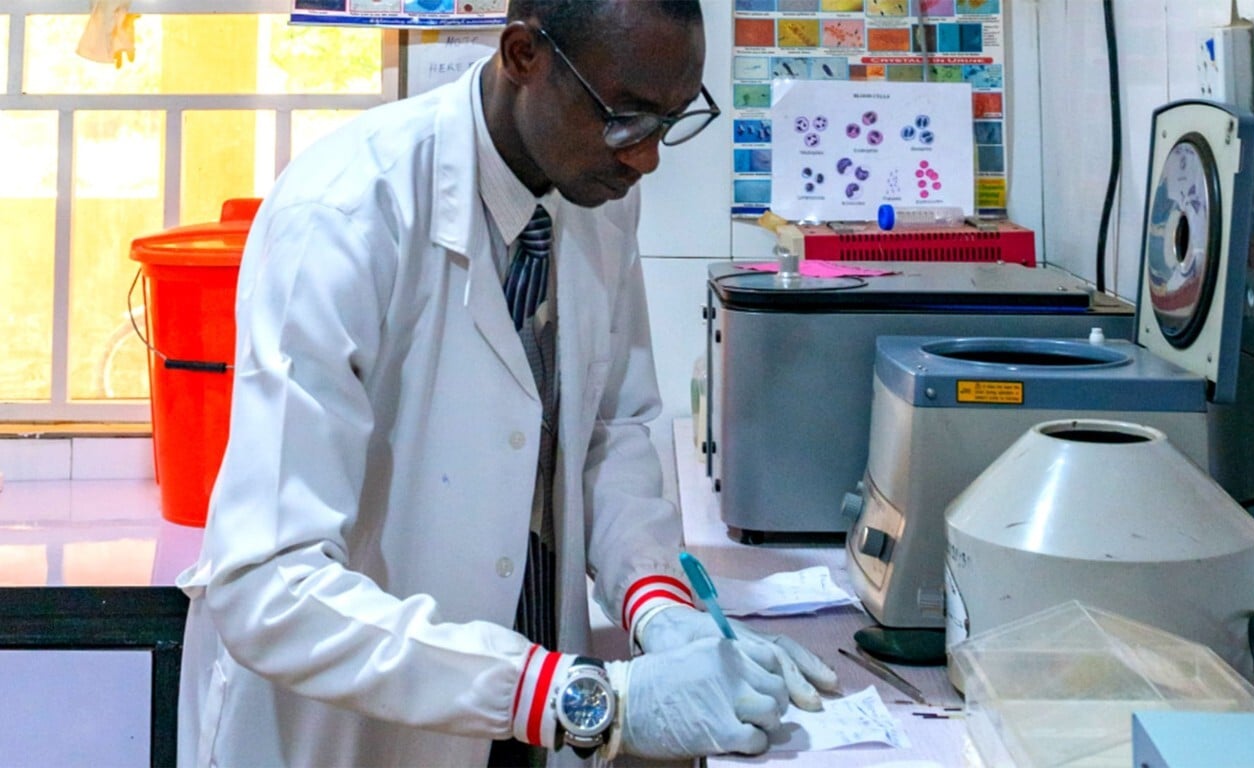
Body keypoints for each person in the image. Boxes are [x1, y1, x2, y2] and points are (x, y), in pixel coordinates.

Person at [175, 1, 839, 765]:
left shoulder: (595, 191)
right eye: (626, 118)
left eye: (670, 120)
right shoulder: (345, 213)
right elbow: (268, 585)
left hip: (525, 710)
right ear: (524, 56)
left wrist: (657, 604)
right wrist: (579, 698)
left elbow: (609, 429)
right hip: (349, 732)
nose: (647, 157)